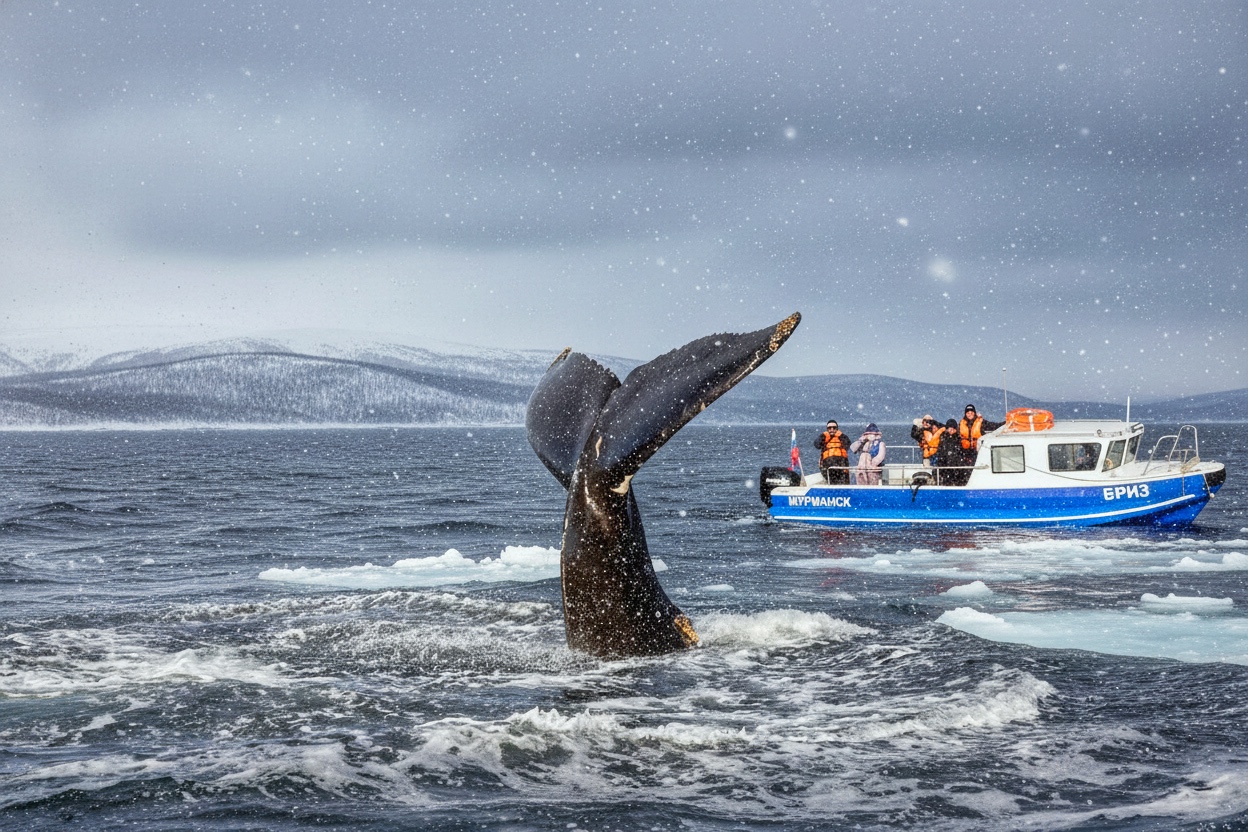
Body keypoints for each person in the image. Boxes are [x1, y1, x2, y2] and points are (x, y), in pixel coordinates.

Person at [814, 419, 851, 485]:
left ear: (837, 429)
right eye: (829, 428)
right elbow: (817, 445)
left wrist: (841, 436)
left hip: (841, 466)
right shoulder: (824, 437)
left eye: (834, 428)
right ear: (827, 429)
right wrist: (823, 436)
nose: (832, 429)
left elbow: (848, 444)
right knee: (832, 483)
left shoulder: (842, 437)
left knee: (844, 484)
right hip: (828, 467)